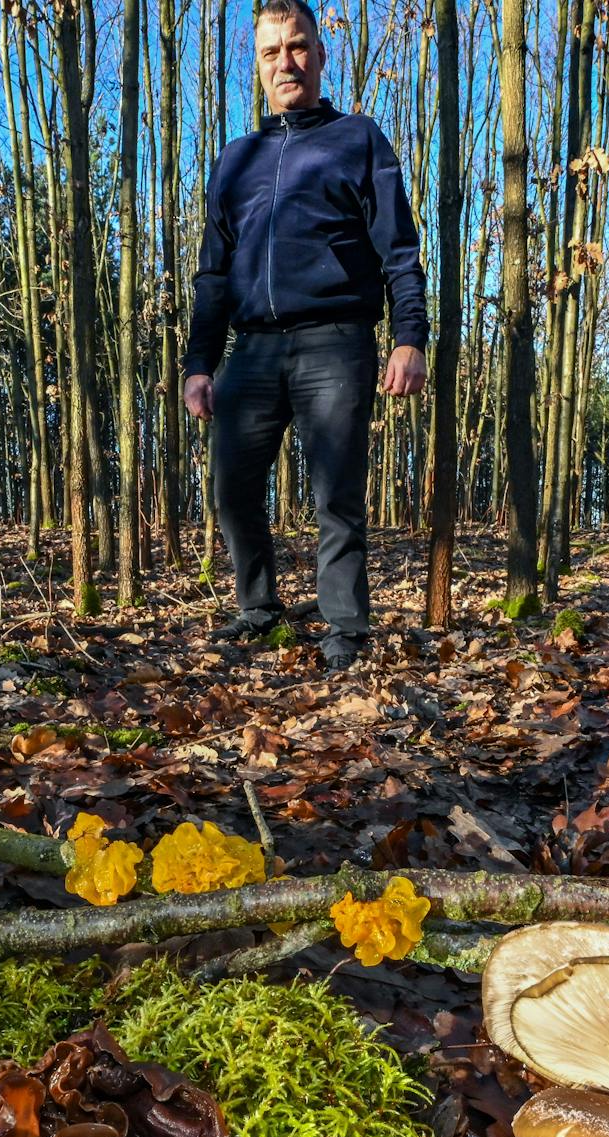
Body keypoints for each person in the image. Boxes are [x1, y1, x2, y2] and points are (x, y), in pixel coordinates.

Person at [181, 0, 429, 673]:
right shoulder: (237, 159)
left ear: (321, 54)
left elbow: (399, 250)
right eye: (271, 51)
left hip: (336, 339)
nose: (285, 61)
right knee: (232, 485)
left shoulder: (359, 139)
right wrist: (199, 363)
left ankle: (345, 625)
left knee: (335, 493)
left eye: (297, 47)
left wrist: (411, 337)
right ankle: (258, 609)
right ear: (258, 65)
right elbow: (212, 273)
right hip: (251, 349)